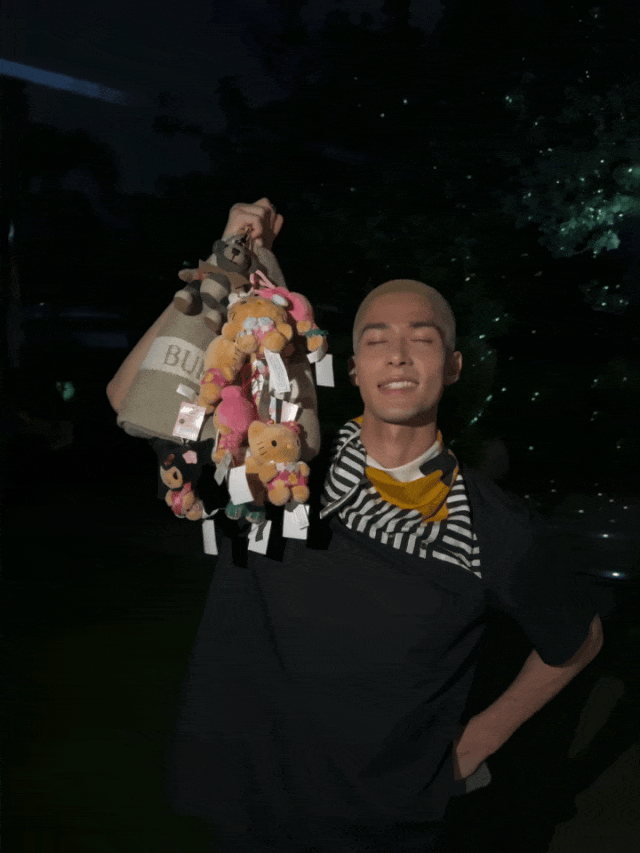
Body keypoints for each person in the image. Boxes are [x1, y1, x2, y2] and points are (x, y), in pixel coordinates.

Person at [107, 199, 603, 853]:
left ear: (454, 367)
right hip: (246, 804)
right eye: (376, 340)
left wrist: (472, 745)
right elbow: (133, 397)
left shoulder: (492, 524)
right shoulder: (274, 463)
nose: (398, 355)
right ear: (352, 366)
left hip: (386, 822)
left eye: (423, 338)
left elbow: (578, 639)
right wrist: (225, 261)